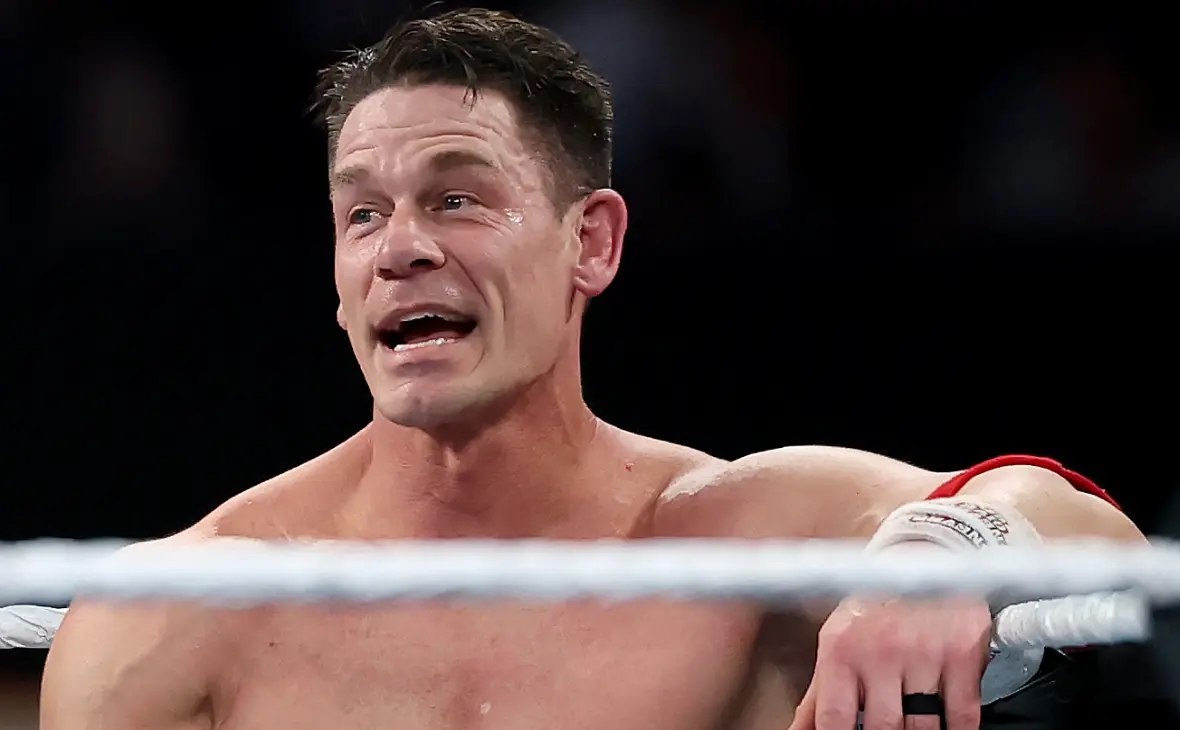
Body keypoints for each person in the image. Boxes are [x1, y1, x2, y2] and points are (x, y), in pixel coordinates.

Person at [39, 7, 1144, 730]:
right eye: (361, 214)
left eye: (457, 197)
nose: (399, 248)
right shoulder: (179, 611)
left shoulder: (729, 542)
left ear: (592, 243)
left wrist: (941, 554)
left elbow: (1098, 537)